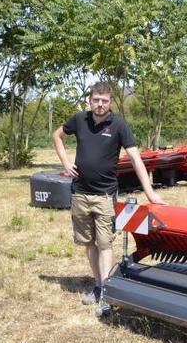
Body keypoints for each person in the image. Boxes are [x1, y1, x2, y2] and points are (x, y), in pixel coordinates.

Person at [53, 82, 166, 316]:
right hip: (80, 194)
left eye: (104, 100)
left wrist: (150, 192)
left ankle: (106, 292)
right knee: (89, 243)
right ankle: (97, 285)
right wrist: (65, 163)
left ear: (110, 102)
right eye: (96, 100)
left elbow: (135, 159)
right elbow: (58, 136)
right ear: (90, 100)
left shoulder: (118, 125)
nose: (100, 104)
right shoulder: (79, 120)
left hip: (105, 196)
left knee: (105, 244)